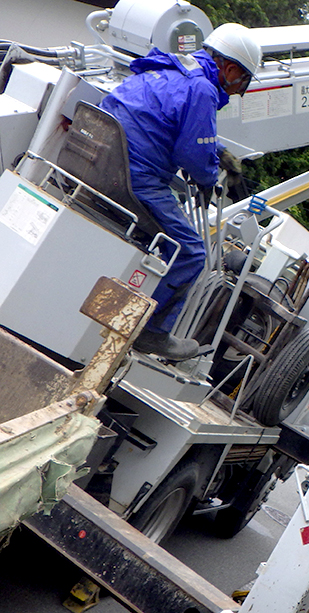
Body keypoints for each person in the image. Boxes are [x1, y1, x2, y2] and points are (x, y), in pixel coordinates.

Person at [100, 24, 261, 361]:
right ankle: (151, 331)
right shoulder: (202, 89)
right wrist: (210, 172)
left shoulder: (166, 67)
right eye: (243, 83)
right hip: (136, 177)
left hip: (102, 158)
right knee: (191, 252)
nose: (238, 92)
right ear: (230, 70)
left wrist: (211, 149)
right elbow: (193, 157)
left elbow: (166, 122)